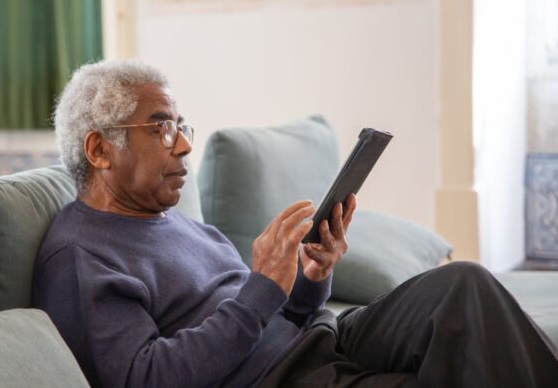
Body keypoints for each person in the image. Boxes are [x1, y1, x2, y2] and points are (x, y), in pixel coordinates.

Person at [32, 60, 558, 387]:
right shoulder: (82, 256)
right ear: (99, 149)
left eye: (181, 125)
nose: (185, 144)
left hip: (322, 338)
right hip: (278, 378)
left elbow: (279, 314)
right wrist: (261, 287)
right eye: (161, 128)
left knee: (462, 286)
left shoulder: (182, 225)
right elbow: (144, 378)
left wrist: (309, 278)